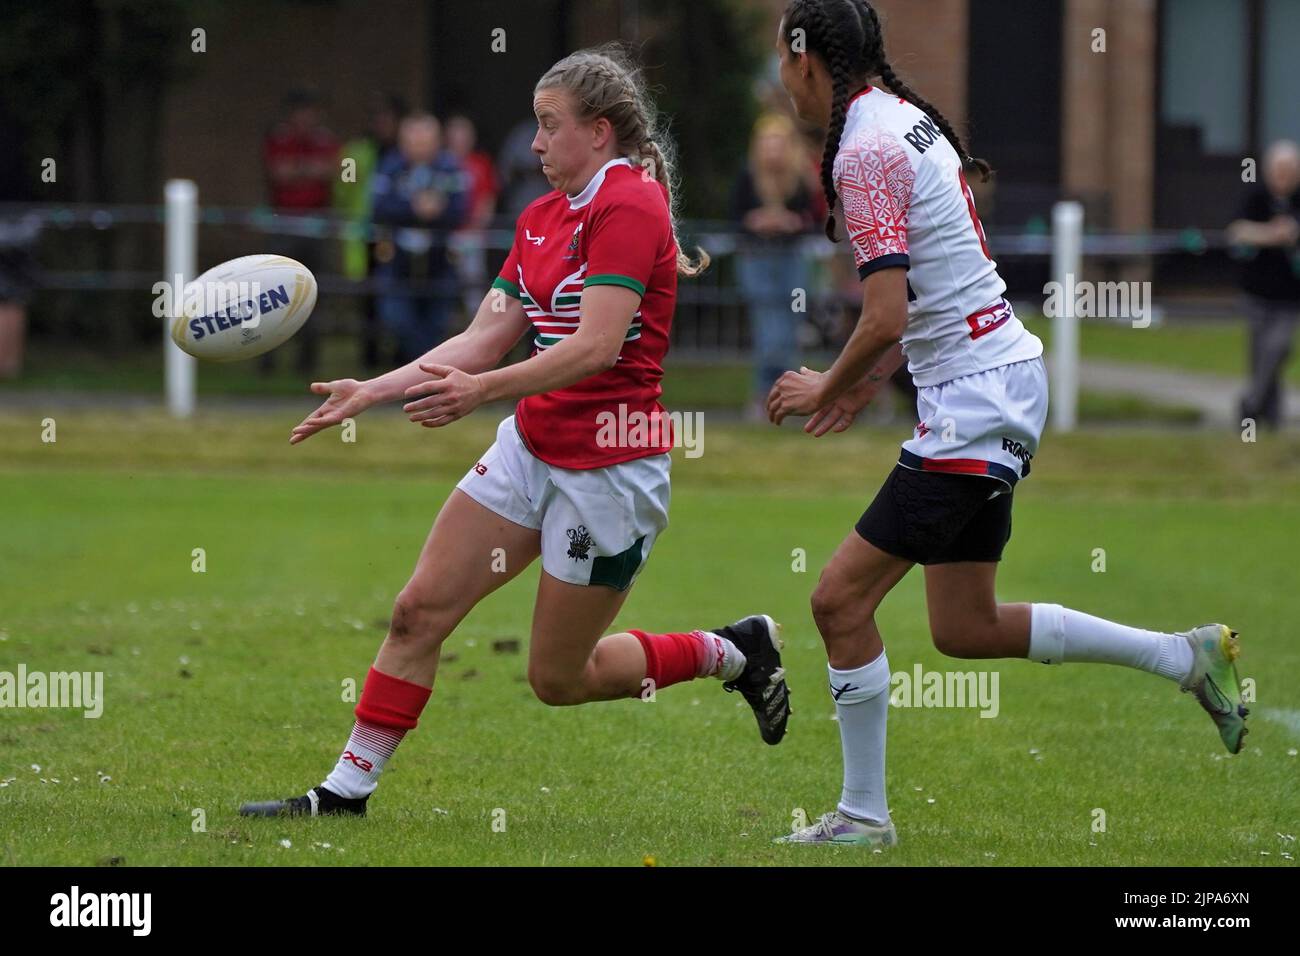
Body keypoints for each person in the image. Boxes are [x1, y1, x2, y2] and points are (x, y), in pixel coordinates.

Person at [240, 47, 791, 819]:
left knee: (559, 679)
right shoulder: (538, 218)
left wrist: (482, 392)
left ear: (598, 132)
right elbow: (481, 337)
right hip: (531, 448)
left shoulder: (628, 206)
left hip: (611, 468)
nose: (534, 144)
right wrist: (374, 390)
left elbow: (597, 344)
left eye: (548, 125)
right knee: (416, 612)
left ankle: (731, 650)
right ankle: (344, 792)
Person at [765, 0, 1247, 848]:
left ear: (807, 61)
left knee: (837, 601)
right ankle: (1184, 656)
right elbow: (930, 294)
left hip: (977, 400)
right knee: (964, 627)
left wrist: (826, 383)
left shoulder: (867, 149)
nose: (781, 85)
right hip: (996, 382)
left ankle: (863, 817)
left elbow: (882, 314)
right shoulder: (904, 121)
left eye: (781, 65)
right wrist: (866, 386)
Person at [731, 113, 818, 418]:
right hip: (757, 260)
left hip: (791, 260)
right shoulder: (748, 176)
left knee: (791, 322)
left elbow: (814, 220)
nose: (773, 150)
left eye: (779, 143)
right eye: (768, 143)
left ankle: (784, 394)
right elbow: (735, 219)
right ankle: (766, 393)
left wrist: (792, 222)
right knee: (768, 325)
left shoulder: (800, 179)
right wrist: (755, 221)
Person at [370, 113, 472, 364]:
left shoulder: (450, 167)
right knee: (397, 318)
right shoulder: (390, 165)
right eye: (412, 140)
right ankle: (413, 370)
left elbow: (461, 209)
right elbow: (378, 207)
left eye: (424, 140)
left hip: (440, 260)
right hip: (397, 260)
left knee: (437, 322)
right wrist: (413, 208)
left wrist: (438, 210)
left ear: (437, 141)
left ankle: (423, 377)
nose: (418, 146)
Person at [263, 88, 340, 374]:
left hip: (316, 227)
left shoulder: (325, 140)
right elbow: (279, 173)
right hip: (283, 224)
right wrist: (309, 169)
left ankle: (306, 363)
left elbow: (330, 170)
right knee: (273, 294)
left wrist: (299, 170)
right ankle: (267, 359)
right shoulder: (280, 138)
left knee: (313, 294)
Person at [1227, 139, 1300, 429]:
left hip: (1290, 295)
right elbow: (1237, 231)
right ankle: (1269, 415)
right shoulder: (1255, 198)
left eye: (1290, 171)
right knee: (1260, 355)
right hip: (1256, 291)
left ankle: (1251, 404)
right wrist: (1272, 234)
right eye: (1279, 170)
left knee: (1278, 347)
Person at [334, 92, 406, 370]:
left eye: (388, 119)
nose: (383, 124)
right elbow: (342, 191)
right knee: (369, 299)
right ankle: (371, 357)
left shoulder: (403, 155)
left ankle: (400, 356)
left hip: (395, 235)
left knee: (398, 295)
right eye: (379, 119)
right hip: (364, 235)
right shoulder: (357, 153)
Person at [445, 114, 501, 323]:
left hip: (472, 235)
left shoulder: (481, 163)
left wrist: (476, 226)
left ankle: (478, 326)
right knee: (442, 286)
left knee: (473, 284)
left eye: (464, 134)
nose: (460, 139)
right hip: (445, 235)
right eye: (455, 134)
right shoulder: (441, 164)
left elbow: (488, 198)